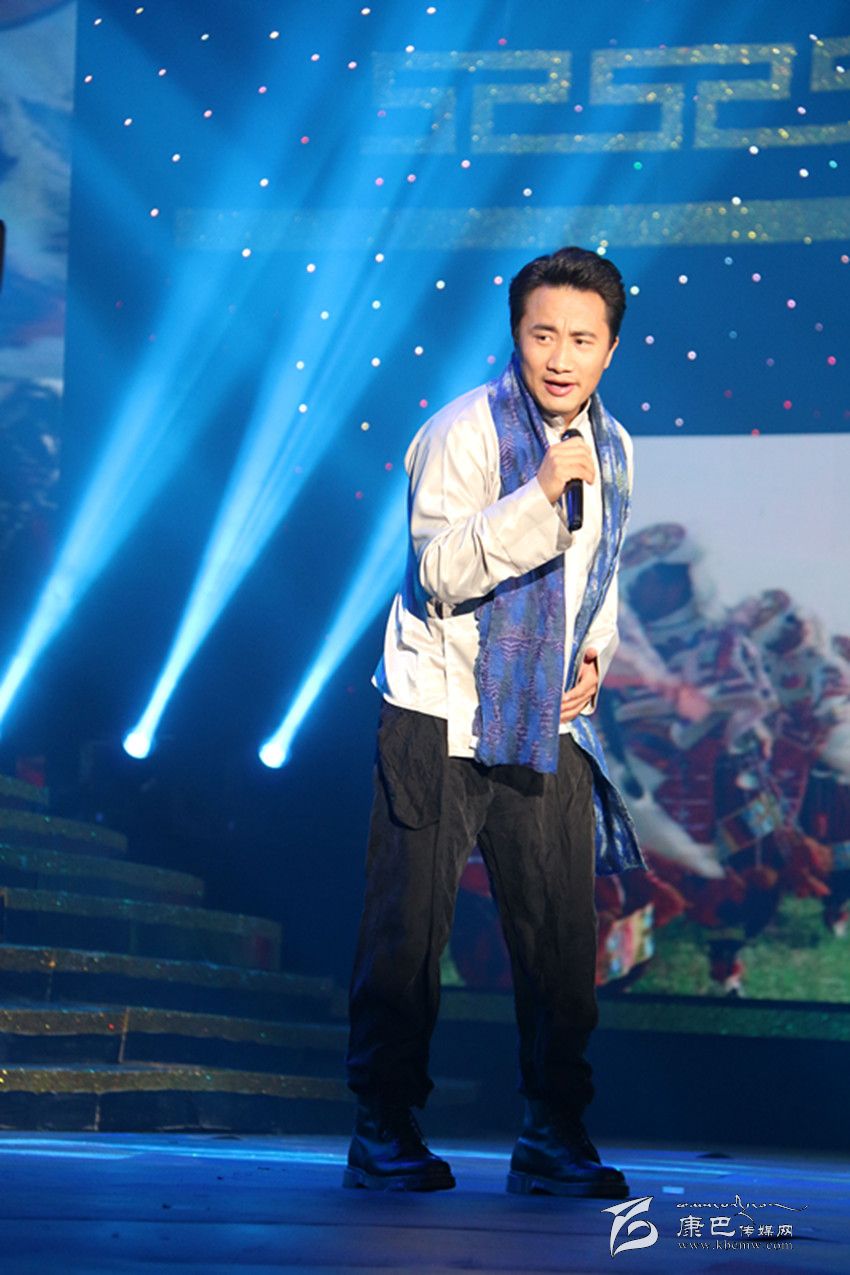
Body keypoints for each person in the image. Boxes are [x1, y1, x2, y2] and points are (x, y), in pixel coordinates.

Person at [344, 246, 645, 1197]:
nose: (561, 357)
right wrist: (539, 494)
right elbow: (438, 571)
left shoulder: (616, 446)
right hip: (438, 709)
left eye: (582, 340)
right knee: (408, 930)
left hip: (545, 719)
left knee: (559, 935)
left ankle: (553, 1130)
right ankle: (384, 1124)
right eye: (543, 334)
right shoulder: (462, 431)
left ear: (610, 350)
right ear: (516, 335)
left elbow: (600, 573)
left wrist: (593, 657)